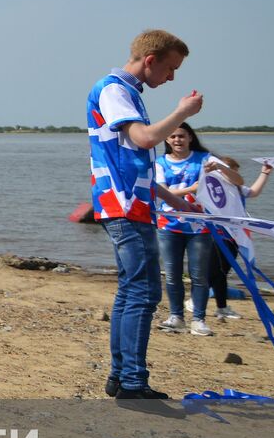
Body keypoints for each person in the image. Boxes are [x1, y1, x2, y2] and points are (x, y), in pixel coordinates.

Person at [87, 29, 203, 400]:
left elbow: (133, 162)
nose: (171, 78)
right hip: (124, 208)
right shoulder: (114, 90)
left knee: (131, 291)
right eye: (170, 69)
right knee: (144, 291)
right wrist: (182, 113)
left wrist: (176, 199)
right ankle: (132, 381)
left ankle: (121, 377)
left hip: (129, 204)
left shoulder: (127, 93)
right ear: (150, 60)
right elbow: (145, 139)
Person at [153, 122, 215, 336]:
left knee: (199, 276)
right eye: (172, 137)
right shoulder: (160, 163)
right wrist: (193, 188)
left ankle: (199, 319)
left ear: (190, 137)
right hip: (169, 225)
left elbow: (233, 179)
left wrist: (214, 175)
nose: (177, 140)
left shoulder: (204, 159)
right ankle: (176, 316)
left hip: (200, 227)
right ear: (166, 140)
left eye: (181, 136)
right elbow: (162, 191)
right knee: (172, 275)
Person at [202, 155, 273, 321]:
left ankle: (213, 303)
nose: (233, 174)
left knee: (222, 271)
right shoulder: (213, 187)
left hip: (235, 237)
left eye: (235, 170)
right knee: (216, 271)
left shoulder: (238, 189)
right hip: (217, 235)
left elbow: (254, 192)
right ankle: (219, 306)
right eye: (230, 170)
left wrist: (265, 173)